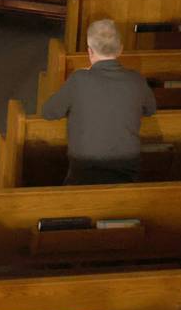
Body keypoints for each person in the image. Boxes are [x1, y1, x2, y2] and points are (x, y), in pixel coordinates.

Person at [42, 19, 156, 185]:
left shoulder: (79, 80)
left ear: (89, 51)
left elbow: (48, 112)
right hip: (126, 173)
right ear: (121, 49)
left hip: (83, 171)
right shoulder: (136, 80)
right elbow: (150, 109)